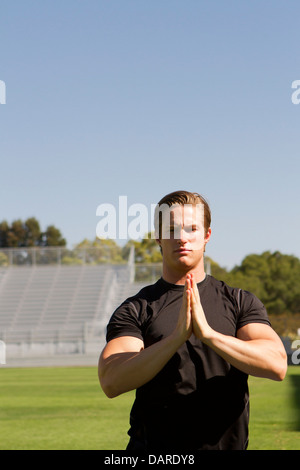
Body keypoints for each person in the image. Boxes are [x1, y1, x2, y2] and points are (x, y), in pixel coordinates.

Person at [98, 190, 287, 451]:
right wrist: (176, 338)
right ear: (158, 237)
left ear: (207, 235)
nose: (182, 238)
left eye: (192, 229)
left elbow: (276, 364)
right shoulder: (136, 309)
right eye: (172, 229)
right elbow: (111, 380)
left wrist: (209, 335)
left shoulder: (240, 301)